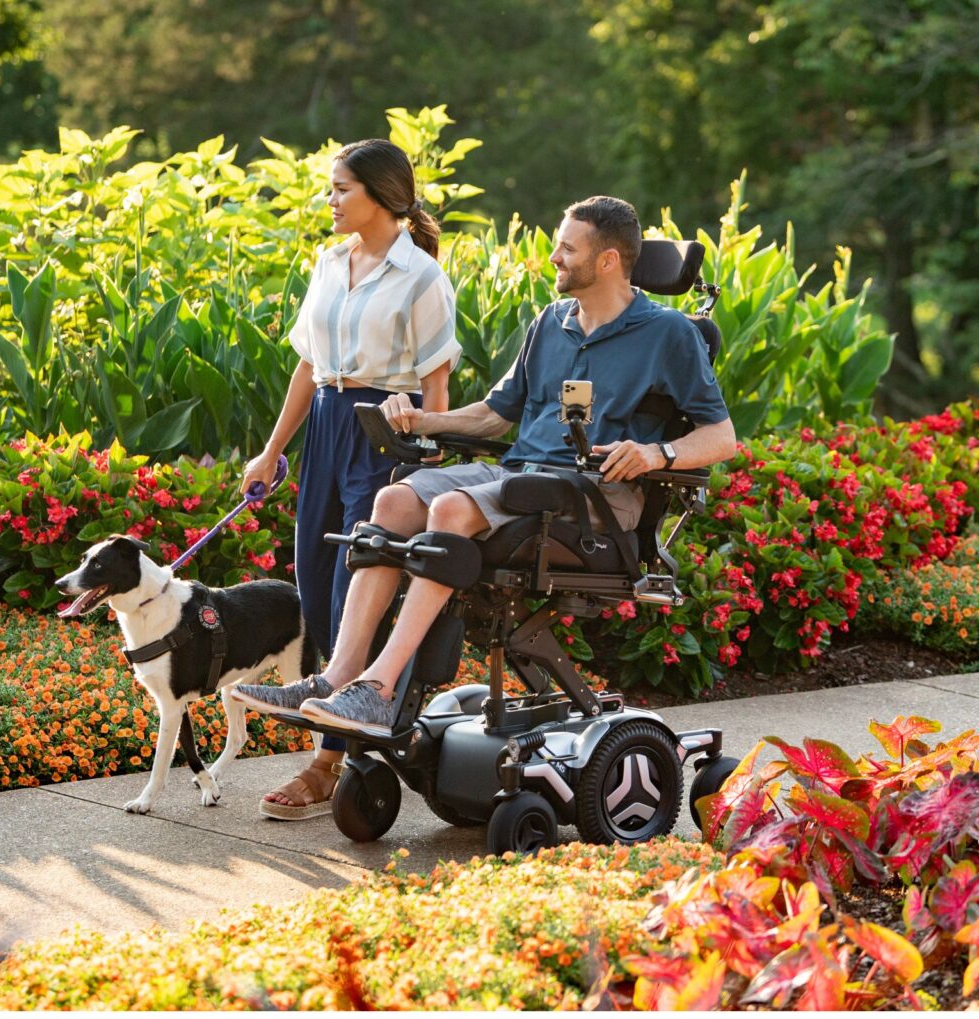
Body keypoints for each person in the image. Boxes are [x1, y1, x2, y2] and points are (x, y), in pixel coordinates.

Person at [242, 195, 737, 735]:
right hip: (521, 477)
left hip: (591, 496)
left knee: (453, 510)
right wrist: (423, 422)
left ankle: (379, 689)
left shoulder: (669, 334)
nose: (554, 259)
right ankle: (337, 677)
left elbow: (721, 436)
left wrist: (656, 454)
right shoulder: (552, 321)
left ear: (608, 261)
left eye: (567, 249)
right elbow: (496, 416)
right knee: (394, 500)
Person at [232, 139, 461, 814]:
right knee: (314, 586)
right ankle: (330, 730)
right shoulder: (330, 262)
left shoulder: (421, 277)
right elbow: (308, 366)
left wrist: (421, 466)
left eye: (339, 189)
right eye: (329, 188)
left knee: (351, 586)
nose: (328, 201)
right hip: (327, 429)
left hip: (383, 433)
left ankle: (327, 764)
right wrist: (272, 451)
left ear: (381, 195)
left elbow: (436, 383)